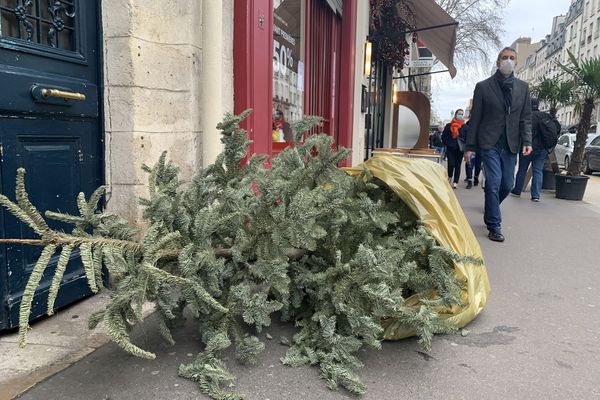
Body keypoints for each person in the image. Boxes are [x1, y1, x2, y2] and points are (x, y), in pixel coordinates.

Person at [465, 47, 532, 242]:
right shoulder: (483, 87)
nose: (508, 61)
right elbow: (475, 118)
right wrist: (470, 147)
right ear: (497, 62)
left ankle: (490, 208)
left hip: (511, 143)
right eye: (504, 58)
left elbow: (525, 118)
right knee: (493, 183)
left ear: (516, 63)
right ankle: (494, 225)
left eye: (512, 58)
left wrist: (527, 140)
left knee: (507, 184)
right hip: (489, 142)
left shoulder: (522, 88)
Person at [511, 98, 555, 202]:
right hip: (542, 149)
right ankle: (535, 195)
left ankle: (517, 190)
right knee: (538, 171)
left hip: (527, 147)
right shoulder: (546, 116)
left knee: (522, 169)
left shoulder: (527, 116)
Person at [442, 109, 465, 188]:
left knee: (458, 165)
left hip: (460, 149)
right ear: (455, 114)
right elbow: (444, 136)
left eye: (462, 114)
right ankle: (450, 176)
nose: (460, 115)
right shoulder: (449, 125)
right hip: (451, 148)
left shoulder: (464, 126)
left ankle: (456, 182)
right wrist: (448, 143)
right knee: (451, 164)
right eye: (459, 114)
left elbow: (467, 137)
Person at [459, 120, 482, 189]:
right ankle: (469, 181)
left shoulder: (483, 124)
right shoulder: (468, 124)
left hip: (480, 148)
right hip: (470, 147)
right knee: (469, 164)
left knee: (478, 165)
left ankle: (476, 177)